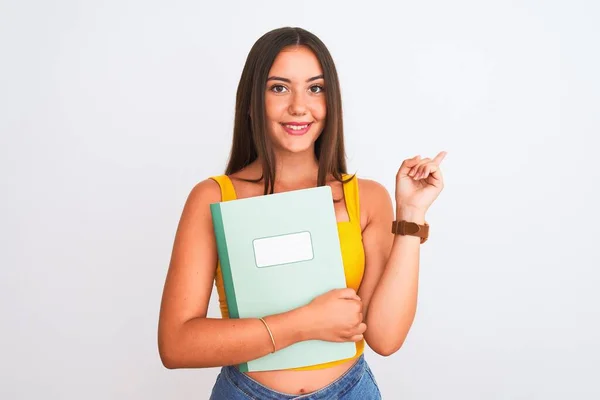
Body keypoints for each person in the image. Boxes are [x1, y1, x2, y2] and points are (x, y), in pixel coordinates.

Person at [157, 26, 447, 399]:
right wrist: (304, 323)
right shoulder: (213, 198)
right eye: (279, 88)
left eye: (315, 88)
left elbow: (386, 338)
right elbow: (176, 344)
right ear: (251, 102)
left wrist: (412, 214)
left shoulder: (367, 198)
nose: (299, 106)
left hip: (350, 390)